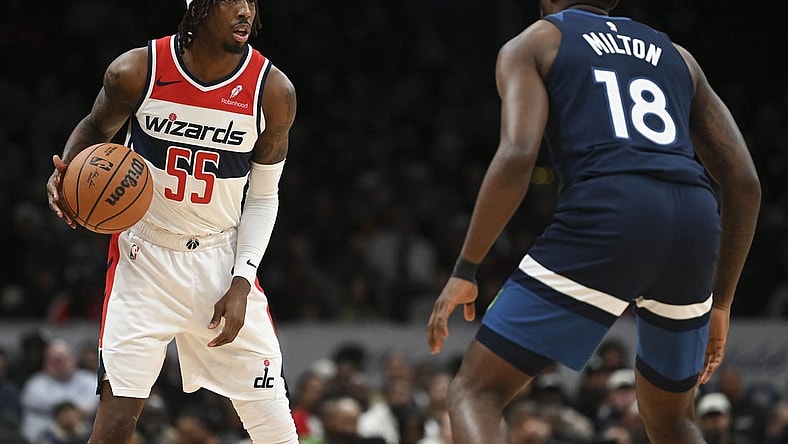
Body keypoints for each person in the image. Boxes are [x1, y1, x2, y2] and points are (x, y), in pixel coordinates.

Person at [426, 1, 761, 443]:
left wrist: (466, 268)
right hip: (694, 218)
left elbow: (516, 157)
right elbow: (744, 183)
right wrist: (721, 303)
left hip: (612, 209)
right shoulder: (678, 57)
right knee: (674, 420)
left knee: (476, 391)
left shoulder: (538, 41)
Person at [45, 0, 298, 442]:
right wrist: (65, 172)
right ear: (198, 7)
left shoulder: (272, 91)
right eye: (231, 0)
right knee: (113, 429)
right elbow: (94, 128)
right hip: (144, 258)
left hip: (222, 259)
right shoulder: (137, 70)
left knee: (276, 429)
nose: (246, 11)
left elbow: (263, 196)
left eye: (251, 2)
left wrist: (242, 281)